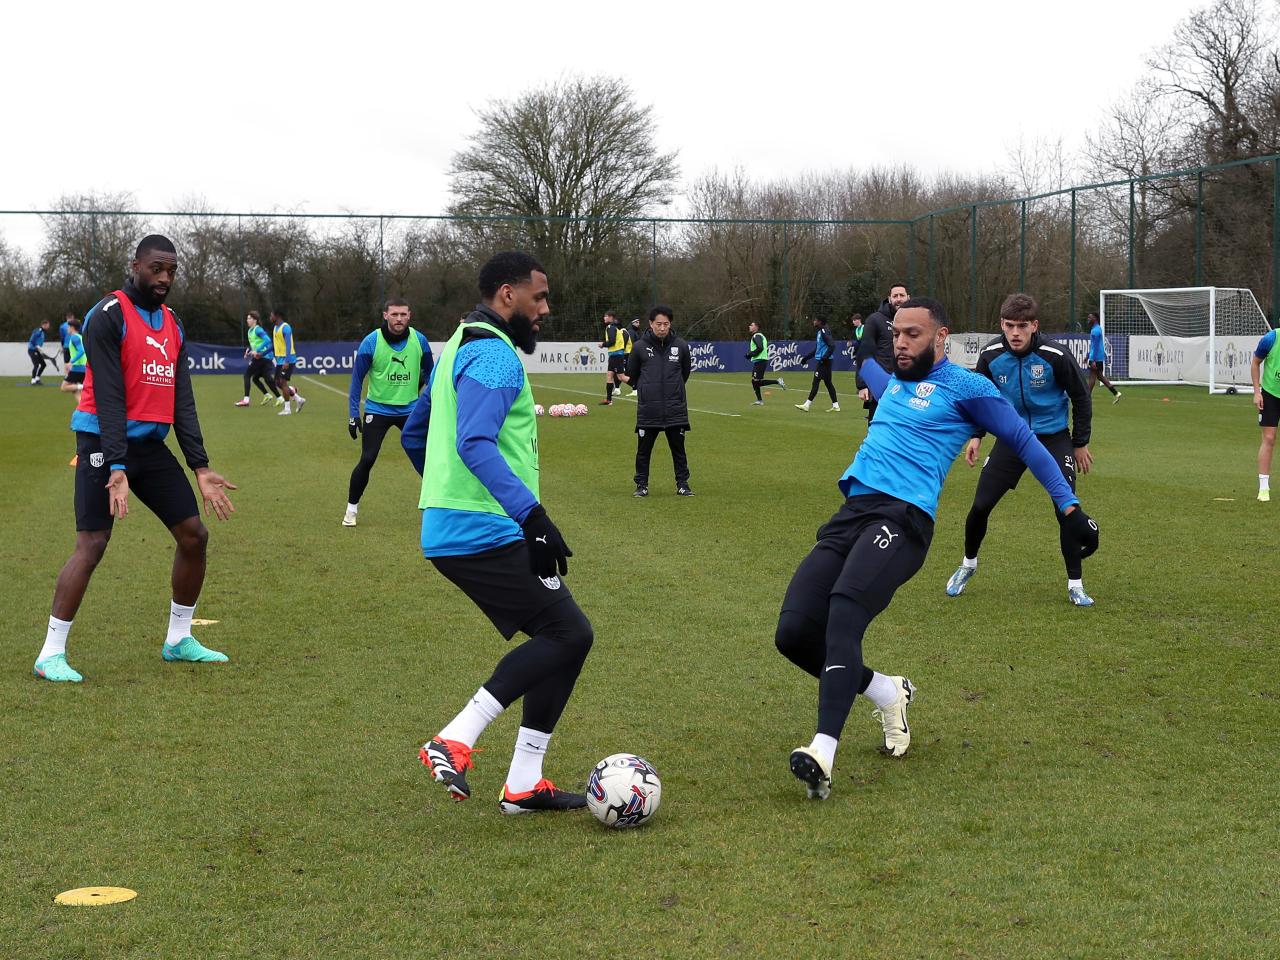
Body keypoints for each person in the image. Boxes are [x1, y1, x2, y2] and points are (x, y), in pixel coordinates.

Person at [775, 297, 1098, 800]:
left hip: (903, 520)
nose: (901, 343)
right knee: (793, 634)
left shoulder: (968, 388)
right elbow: (866, 364)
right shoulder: (890, 380)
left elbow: (1026, 441)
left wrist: (1069, 507)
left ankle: (823, 749)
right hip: (851, 514)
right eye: (897, 334)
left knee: (843, 611)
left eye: (913, 335)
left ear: (941, 337)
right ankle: (886, 690)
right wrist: (869, 338)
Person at [402, 251, 592, 815]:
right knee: (566, 634)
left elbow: (417, 433)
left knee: (567, 635)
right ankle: (454, 738)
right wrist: (530, 516)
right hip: (484, 527)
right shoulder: (495, 355)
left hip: (457, 522)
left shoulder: (459, 343)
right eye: (539, 297)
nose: (545, 309)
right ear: (507, 295)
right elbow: (475, 442)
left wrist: (447, 496)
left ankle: (524, 783)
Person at [34, 235, 238, 683]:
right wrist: (117, 466)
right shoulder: (107, 315)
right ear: (136, 265)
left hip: (149, 445)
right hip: (101, 444)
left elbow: (181, 399)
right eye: (156, 269)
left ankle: (178, 639)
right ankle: (50, 653)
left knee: (193, 535)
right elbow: (108, 395)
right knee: (93, 544)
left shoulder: (173, 324)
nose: (164, 278)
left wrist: (200, 467)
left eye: (171, 270)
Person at [944, 294, 1096, 606]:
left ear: (1034, 326)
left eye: (1022, 326)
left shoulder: (1055, 355)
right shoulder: (991, 354)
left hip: (1053, 439)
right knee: (980, 505)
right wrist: (976, 435)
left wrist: (1079, 443)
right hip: (1011, 437)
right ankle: (968, 565)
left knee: (1065, 510)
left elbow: (1081, 397)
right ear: (1001, 324)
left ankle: (1075, 584)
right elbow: (979, 397)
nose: (1015, 332)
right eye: (1009, 325)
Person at [343, 298, 433, 526]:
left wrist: (432, 405)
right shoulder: (371, 342)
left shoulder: (420, 340)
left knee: (431, 458)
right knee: (368, 458)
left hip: (412, 410)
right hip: (377, 410)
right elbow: (356, 380)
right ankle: (351, 510)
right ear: (385, 315)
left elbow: (432, 376)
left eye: (403, 314)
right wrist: (353, 414)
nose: (399, 319)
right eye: (394, 314)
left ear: (409, 315)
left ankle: (439, 505)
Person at [625, 305, 693, 496]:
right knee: (643, 452)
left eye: (666, 324)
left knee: (679, 451)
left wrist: (674, 391)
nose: (662, 328)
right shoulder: (639, 347)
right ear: (651, 324)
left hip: (675, 409)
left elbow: (685, 373)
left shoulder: (680, 346)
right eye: (658, 324)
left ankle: (683, 484)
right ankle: (642, 485)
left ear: (670, 324)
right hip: (649, 410)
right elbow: (632, 374)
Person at [857, 283, 910, 420]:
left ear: (908, 297)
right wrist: (862, 385)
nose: (899, 299)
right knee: (878, 432)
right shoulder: (875, 320)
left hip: (909, 387)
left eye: (902, 295)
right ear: (889, 298)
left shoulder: (915, 321)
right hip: (882, 387)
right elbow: (865, 350)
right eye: (895, 296)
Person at [1252, 324, 1280, 502]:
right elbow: (1255, 363)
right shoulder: (1271, 338)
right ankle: (1263, 488)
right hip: (1270, 394)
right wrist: (1257, 392)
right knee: (1269, 438)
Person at [235, 311, 280, 406]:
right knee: (260, 378)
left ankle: (246, 400)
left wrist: (258, 350)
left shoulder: (258, 329)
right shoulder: (249, 331)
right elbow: (254, 344)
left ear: (255, 320)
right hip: (260, 357)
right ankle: (277, 396)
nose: (247, 320)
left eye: (249, 318)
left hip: (263, 357)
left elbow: (268, 340)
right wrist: (248, 350)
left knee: (247, 375)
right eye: (247, 318)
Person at [794, 316, 839, 412]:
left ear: (820, 322)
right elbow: (817, 350)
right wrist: (806, 358)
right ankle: (836, 406)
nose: (814, 322)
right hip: (824, 360)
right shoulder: (820, 332)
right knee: (828, 383)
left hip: (824, 361)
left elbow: (832, 345)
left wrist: (824, 358)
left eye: (815, 320)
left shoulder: (824, 331)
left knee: (816, 382)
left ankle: (807, 405)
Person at [272, 308, 306, 415]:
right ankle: (298, 399)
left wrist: (286, 361)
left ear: (277, 316)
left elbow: (288, 345)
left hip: (288, 360)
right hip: (280, 360)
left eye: (271, 315)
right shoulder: (275, 328)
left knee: (282, 382)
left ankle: (287, 409)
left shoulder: (285, 327)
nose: (270, 317)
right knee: (277, 382)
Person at [746, 320, 786, 405]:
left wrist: (750, 354)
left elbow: (760, 347)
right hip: (759, 361)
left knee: (756, 381)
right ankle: (759, 400)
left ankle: (777, 381)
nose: (749, 326)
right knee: (754, 381)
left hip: (760, 360)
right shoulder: (760, 336)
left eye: (751, 325)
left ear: (756, 327)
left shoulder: (757, 336)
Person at [1086, 313, 1121, 402]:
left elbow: (1096, 346)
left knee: (1092, 377)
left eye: (1090, 317)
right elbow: (1094, 345)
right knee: (1100, 377)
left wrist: (1092, 360)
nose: (1088, 318)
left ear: (1095, 318)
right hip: (1097, 357)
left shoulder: (1095, 331)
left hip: (1096, 358)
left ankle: (1086, 397)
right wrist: (1088, 356)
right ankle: (1116, 393)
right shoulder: (1097, 329)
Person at [599, 310, 628, 405]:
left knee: (621, 377)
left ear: (611, 317)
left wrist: (603, 344)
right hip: (613, 356)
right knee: (609, 376)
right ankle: (608, 400)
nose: (604, 318)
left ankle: (640, 386)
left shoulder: (610, 327)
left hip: (616, 356)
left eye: (606, 316)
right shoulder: (613, 327)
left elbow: (612, 341)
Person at [60, 318, 87, 393]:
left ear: (72, 328)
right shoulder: (80, 337)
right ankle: (81, 405)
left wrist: (71, 362)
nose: (67, 329)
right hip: (83, 367)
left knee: (64, 387)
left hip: (77, 368)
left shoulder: (74, 337)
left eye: (68, 327)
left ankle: (84, 386)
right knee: (75, 391)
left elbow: (81, 351)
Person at [28, 319, 51, 385]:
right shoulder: (38, 331)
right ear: (44, 325)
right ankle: (33, 380)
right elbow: (32, 340)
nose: (49, 326)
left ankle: (37, 379)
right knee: (36, 365)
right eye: (48, 325)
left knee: (43, 364)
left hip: (37, 350)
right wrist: (36, 346)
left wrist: (39, 349)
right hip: (32, 350)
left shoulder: (43, 332)